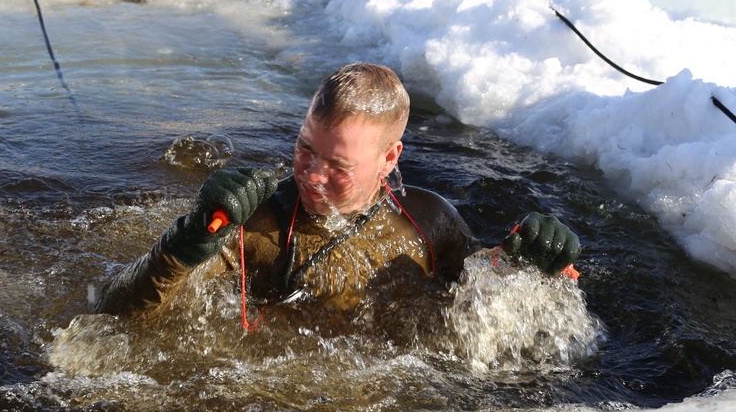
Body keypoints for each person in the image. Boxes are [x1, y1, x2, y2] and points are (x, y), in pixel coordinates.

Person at [94, 63, 581, 318]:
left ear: (390, 158)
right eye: (305, 149)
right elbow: (110, 312)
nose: (310, 175)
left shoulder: (429, 221)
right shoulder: (260, 225)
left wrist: (532, 264)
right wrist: (188, 239)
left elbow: (483, 300)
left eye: (337, 165)